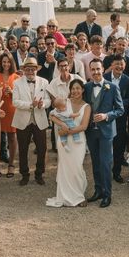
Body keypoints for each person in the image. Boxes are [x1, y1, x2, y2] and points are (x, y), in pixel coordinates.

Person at [83, 59, 125, 208]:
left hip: (106, 131)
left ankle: (107, 194)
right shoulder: (86, 87)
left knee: (106, 163)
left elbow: (120, 110)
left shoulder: (112, 87)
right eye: (92, 69)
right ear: (90, 70)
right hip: (91, 132)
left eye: (98, 69)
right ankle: (98, 190)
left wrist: (106, 115)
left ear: (103, 69)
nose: (95, 72)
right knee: (95, 163)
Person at [46, 79, 91, 207]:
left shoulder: (86, 107)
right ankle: (65, 196)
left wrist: (67, 132)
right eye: (73, 88)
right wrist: (62, 125)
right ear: (70, 90)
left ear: (82, 90)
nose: (75, 91)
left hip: (78, 141)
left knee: (76, 167)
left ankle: (78, 195)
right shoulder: (65, 102)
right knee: (65, 168)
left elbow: (84, 126)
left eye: (78, 88)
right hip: (64, 142)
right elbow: (52, 115)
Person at [12, 57, 51, 186]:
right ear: (24, 70)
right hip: (23, 120)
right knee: (23, 149)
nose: (30, 71)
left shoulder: (44, 82)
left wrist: (42, 104)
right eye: (27, 69)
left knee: (42, 148)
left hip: (39, 119)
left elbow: (48, 100)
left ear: (36, 70)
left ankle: (39, 174)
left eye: (32, 69)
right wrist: (30, 105)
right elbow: (15, 102)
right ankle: (24, 174)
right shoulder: (17, 83)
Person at [104, 55, 129, 183]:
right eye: (116, 64)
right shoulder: (104, 78)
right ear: (111, 65)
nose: (119, 66)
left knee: (118, 146)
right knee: (105, 147)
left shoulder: (127, 80)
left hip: (120, 118)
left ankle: (116, 172)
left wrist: (118, 103)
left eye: (121, 64)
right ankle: (104, 173)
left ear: (124, 66)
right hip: (105, 118)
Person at [0, 54, 19, 177]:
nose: (6, 64)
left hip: (11, 109)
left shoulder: (16, 77)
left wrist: (12, 92)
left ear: (12, 63)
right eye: (4, 62)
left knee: (12, 137)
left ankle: (11, 165)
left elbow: (21, 96)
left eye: (8, 62)